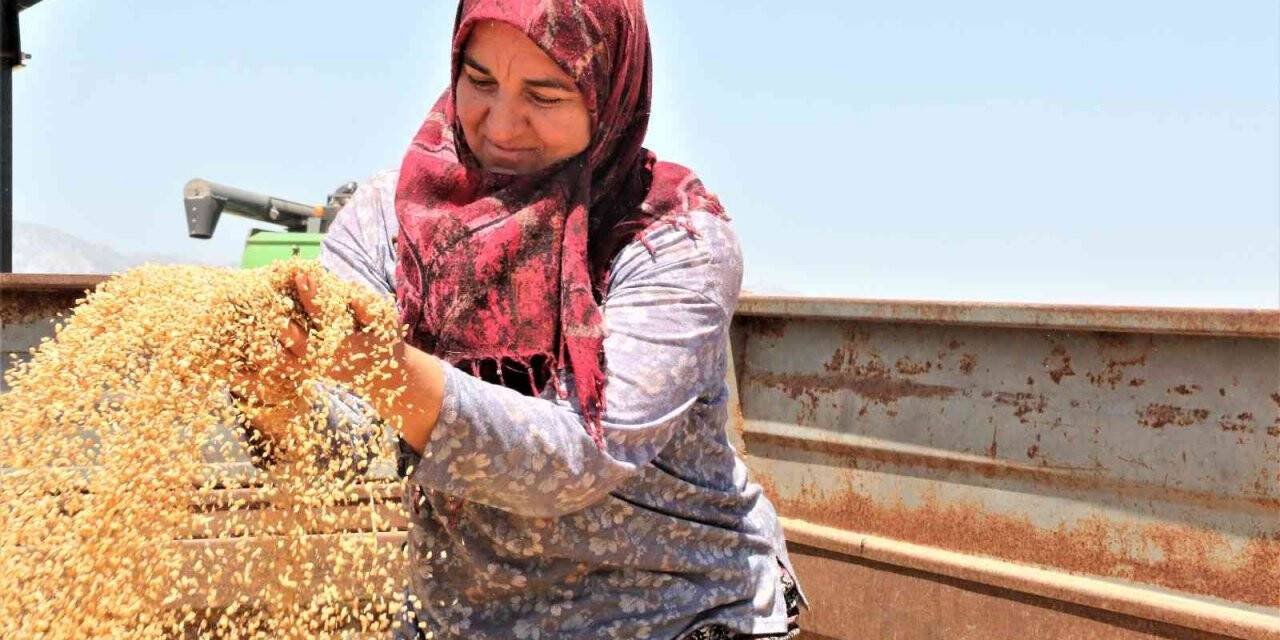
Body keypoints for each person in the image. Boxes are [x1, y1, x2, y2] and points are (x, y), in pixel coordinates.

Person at [266, 1, 804, 637]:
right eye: (481, 82)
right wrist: (273, 391)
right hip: (464, 620)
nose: (501, 124)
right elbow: (345, 443)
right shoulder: (391, 219)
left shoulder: (671, 242)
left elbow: (578, 459)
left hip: (674, 611)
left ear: (609, 95)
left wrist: (382, 368)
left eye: (544, 95)